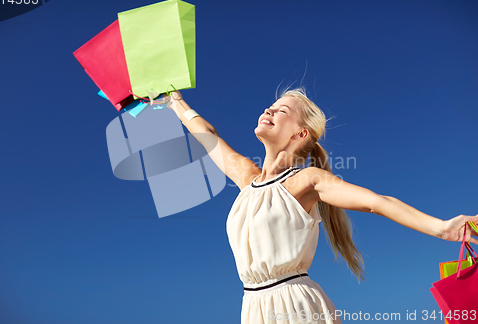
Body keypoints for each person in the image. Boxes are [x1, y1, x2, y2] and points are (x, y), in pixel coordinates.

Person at [166, 88, 478, 324]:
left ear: (299, 133)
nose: (268, 110)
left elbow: (376, 203)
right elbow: (206, 134)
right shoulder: (247, 178)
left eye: (281, 110)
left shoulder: (306, 181)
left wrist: (441, 228)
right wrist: (172, 98)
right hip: (252, 307)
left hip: (295, 305)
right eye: (270, 106)